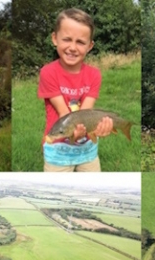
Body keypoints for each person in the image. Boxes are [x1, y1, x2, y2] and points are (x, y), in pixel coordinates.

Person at [38, 8, 113, 172]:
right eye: (67, 39)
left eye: (80, 42)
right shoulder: (48, 72)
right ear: (54, 38)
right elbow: (65, 114)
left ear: (90, 46)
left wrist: (99, 128)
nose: (72, 47)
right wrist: (74, 133)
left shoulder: (94, 75)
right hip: (58, 151)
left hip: (87, 151)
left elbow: (84, 114)